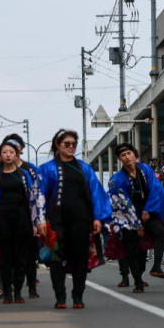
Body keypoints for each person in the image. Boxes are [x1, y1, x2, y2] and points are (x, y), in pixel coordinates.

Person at [37, 129, 111, 310]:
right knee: (56, 259)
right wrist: (39, 220)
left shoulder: (84, 168)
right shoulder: (46, 169)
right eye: (66, 144)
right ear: (57, 145)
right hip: (55, 222)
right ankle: (60, 297)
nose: (71, 147)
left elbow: (96, 193)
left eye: (73, 144)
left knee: (80, 259)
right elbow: (38, 196)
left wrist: (98, 218)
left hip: (81, 220)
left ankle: (78, 296)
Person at [108, 143, 164, 294]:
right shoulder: (116, 179)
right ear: (119, 159)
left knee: (160, 232)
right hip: (127, 217)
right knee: (133, 249)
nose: (127, 157)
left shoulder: (145, 169)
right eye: (123, 155)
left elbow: (156, 189)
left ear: (134, 154)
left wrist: (148, 210)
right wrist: (136, 224)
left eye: (129, 153)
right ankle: (137, 282)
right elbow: (123, 203)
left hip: (147, 209)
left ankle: (156, 266)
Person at [0, 140, 45, 304]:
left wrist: (35, 222)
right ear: (0, 155)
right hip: (1, 217)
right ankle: (7, 291)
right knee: (5, 256)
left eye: (11, 152)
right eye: (4, 152)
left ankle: (19, 291)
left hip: (22, 217)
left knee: (21, 256)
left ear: (17, 155)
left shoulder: (24, 175)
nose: (8, 155)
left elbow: (32, 199)